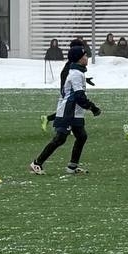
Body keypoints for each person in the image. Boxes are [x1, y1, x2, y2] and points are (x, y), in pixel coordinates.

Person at [31, 44, 101, 175]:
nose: (87, 58)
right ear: (79, 58)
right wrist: (92, 107)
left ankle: (72, 167)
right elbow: (79, 96)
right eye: (85, 56)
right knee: (60, 138)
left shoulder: (79, 72)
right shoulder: (75, 74)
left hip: (75, 112)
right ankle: (37, 163)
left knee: (82, 136)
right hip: (68, 111)